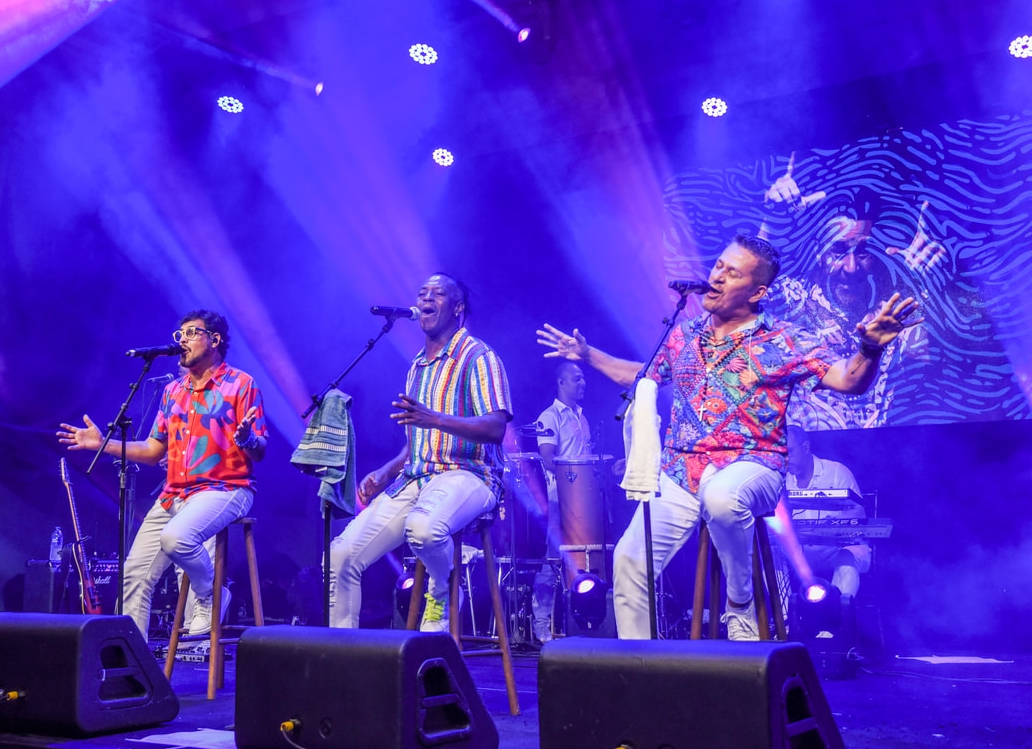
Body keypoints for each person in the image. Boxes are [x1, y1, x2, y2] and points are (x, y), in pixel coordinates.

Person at [537, 234, 918, 640]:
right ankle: (641, 663)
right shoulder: (684, 335)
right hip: (681, 472)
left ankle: (740, 603)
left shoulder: (784, 339)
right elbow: (641, 374)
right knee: (629, 560)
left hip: (754, 465)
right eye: (719, 265)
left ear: (757, 293)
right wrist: (588, 354)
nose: (717, 277)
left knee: (721, 497)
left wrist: (870, 349)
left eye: (732, 273)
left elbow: (848, 380)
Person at [60, 310, 267, 638]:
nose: (182, 340)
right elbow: (153, 450)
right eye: (179, 334)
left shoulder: (241, 384)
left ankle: (211, 594)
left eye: (192, 333)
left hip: (225, 489)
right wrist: (102, 444)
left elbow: (260, 449)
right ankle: (133, 662)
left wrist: (247, 439)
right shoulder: (174, 391)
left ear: (214, 340)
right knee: (133, 575)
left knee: (176, 538)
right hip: (175, 494)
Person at [329, 273, 513, 631]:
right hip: (417, 476)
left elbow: (496, 428)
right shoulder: (418, 364)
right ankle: (341, 652)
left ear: (458, 308)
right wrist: (387, 470)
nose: (426, 298)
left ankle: (443, 592)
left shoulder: (479, 356)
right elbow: (421, 438)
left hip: (470, 474)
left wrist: (436, 418)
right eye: (422, 293)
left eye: (438, 293)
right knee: (341, 555)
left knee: (424, 529)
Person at [764, 160, 941, 428]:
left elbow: (923, 378)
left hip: (880, 444)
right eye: (838, 250)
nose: (850, 267)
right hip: (808, 445)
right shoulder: (796, 303)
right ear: (818, 252)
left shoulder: (891, 309)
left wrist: (921, 286)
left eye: (862, 252)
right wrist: (771, 222)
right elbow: (747, 285)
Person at [531, 361, 592, 642]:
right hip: (561, 500)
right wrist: (573, 479)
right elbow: (547, 457)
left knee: (584, 557)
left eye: (583, 379)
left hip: (585, 502)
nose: (583, 383)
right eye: (577, 379)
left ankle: (581, 622)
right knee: (554, 557)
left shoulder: (582, 416)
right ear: (561, 382)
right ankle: (541, 620)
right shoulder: (549, 416)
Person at [779, 425, 870, 604]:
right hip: (801, 555)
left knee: (847, 557)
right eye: (781, 454)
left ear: (806, 447)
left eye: (789, 452)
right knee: (771, 556)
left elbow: (858, 513)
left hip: (836, 550)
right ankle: (785, 617)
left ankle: (836, 614)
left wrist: (832, 525)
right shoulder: (781, 479)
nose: (786, 460)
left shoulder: (836, 472)